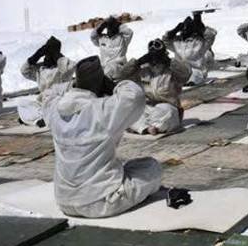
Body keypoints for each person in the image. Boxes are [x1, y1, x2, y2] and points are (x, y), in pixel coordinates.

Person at [44, 56, 162, 218]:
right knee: (151, 167)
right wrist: (113, 86)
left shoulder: (55, 111)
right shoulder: (101, 110)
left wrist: (78, 84)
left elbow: (50, 93)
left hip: (64, 201)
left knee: (125, 166)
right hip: (101, 201)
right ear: (101, 83)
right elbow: (135, 96)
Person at [127, 39, 191, 135]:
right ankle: (146, 128)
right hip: (149, 106)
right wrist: (137, 62)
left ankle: (146, 126)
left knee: (165, 113)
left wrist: (169, 62)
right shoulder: (144, 69)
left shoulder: (171, 69)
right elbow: (119, 76)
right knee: (130, 111)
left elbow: (187, 74)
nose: (154, 59)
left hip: (168, 107)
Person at [18, 36, 76, 126]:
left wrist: (57, 56)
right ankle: (40, 119)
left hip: (58, 103)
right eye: (47, 52)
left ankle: (36, 119)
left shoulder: (62, 68)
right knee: (22, 104)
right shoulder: (40, 69)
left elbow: (72, 66)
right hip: (43, 104)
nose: (48, 55)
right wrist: (36, 56)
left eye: (51, 52)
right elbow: (24, 71)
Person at [163, 12, 216, 85]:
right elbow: (165, 41)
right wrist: (174, 30)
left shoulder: (199, 42)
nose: (185, 30)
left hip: (196, 71)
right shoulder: (176, 41)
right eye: (184, 28)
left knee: (191, 80)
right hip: (181, 71)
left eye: (188, 28)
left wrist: (202, 28)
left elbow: (211, 36)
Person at [89, 16, 133, 81]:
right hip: (105, 70)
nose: (110, 29)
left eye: (112, 26)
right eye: (109, 26)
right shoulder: (102, 38)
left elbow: (129, 32)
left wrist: (119, 25)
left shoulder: (122, 38)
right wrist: (100, 27)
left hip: (119, 69)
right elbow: (93, 37)